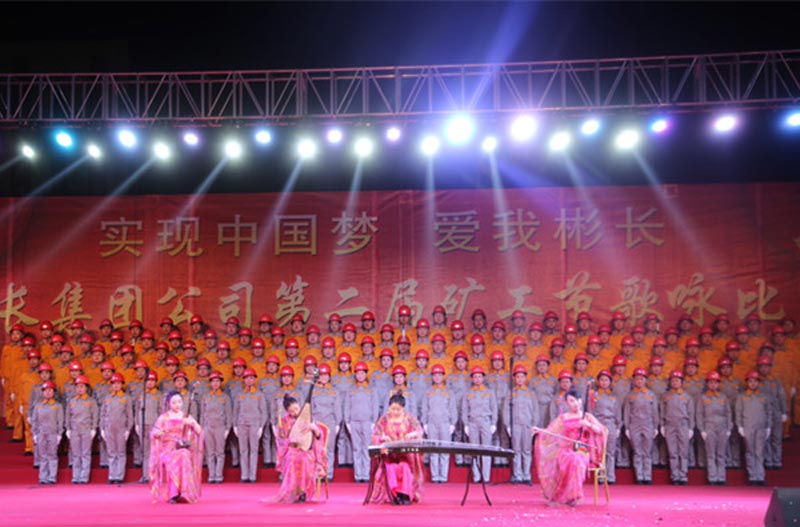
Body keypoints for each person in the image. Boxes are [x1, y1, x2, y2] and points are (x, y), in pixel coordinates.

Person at [533, 388, 607, 506]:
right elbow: (551, 431)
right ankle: (564, 496)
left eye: (577, 400)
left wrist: (588, 425)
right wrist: (539, 430)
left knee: (575, 459)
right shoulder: (563, 417)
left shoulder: (587, 416)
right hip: (565, 449)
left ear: (581, 400)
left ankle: (575, 495)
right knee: (567, 458)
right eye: (571, 401)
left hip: (582, 450)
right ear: (567, 403)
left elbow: (601, 431)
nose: (575, 403)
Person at [369, 393, 425, 505]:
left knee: (405, 468)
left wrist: (413, 434)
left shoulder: (409, 418)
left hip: (405, 456)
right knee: (391, 468)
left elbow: (419, 431)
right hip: (389, 455)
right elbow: (375, 435)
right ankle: (393, 495)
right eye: (393, 409)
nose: (395, 412)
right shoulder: (384, 419)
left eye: (398, 409)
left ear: (403, 408)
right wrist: (383, 438)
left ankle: (405, 494)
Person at [149, 391, 204, 503]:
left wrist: (193, 423)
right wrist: (159, 433)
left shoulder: (186, 416)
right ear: (168, 403)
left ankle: (183, 492)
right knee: (179, 456)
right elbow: (154, 433)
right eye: (174, 402)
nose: (177, 405)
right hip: (167, 449)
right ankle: (173, 493)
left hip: (181, 447)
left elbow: (199, 432)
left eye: (179, 402)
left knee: (184, 454)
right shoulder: (164, 418)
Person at [275, 395, 329, 503]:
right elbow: (281, 441)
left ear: (299, 406)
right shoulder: (284, 421)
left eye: (296, 408)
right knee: (292, 460)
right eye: (291, 411)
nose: (295, 412)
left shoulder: (308, 418)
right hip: (292, 450)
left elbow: (318, 437)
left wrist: (314, 429)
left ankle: (303, 492)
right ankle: (294, 492)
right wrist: (290, 439)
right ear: (287, 412)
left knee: (305, 460)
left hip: (307, 451)